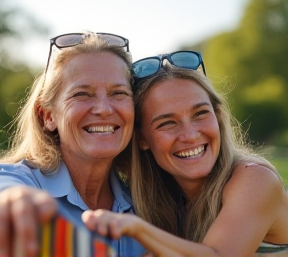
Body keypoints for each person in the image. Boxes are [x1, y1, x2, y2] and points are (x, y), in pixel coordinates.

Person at [83, 51, 288, 257]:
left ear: (217, 116)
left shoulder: (255, 180)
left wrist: (137, 228)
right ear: (142, 139)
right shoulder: (164, 201)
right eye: (167, 123)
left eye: (200, 114)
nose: (190, 135)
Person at [0, 31, 146, 257]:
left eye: (118, 93)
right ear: (48, 116)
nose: (104, 109)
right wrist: (14, 201)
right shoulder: (19, 181)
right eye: (82, 94)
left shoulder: (147, 208)